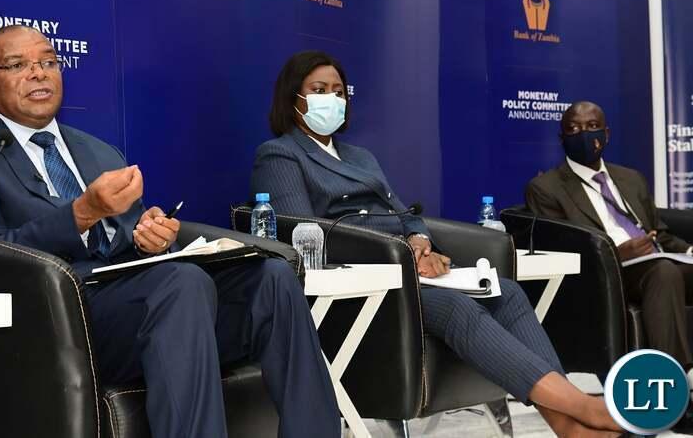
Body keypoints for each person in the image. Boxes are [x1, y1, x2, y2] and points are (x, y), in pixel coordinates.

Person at [0, 26, 340, 438]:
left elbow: (129, 238)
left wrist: (150, 238)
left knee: (272, 279)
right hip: (51, 320)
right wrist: (81, 214)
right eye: (18, 65)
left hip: (143, 308)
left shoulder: (98, 151)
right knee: (180, 284)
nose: (39, 73)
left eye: (48, 62)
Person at [250, 50, 623, 438]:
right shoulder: (280, 154)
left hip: (408, 274)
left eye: (339, 91)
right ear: (294, 97)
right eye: (319, 89)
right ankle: (582, 406)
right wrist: (403, 257)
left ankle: (567, 427)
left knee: (507, 293)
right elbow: (306, 234)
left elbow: (404, 214)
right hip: (361, 290)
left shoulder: (360, 157)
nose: (332, 98)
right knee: (457, 306)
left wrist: (420, 242)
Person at [526, 101, 693, 371]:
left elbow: (659, 234)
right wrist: (617, 254)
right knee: (663, 272)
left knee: (665, 268)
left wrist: (688, 251)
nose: (584, 134)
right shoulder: (546, 188)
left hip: (655, 261)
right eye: (574, 128)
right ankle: (672, 378)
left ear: (606, 134)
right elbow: (562, 251)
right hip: (606, 274)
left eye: (592, 126)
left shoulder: (631, 179)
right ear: (562, 138)